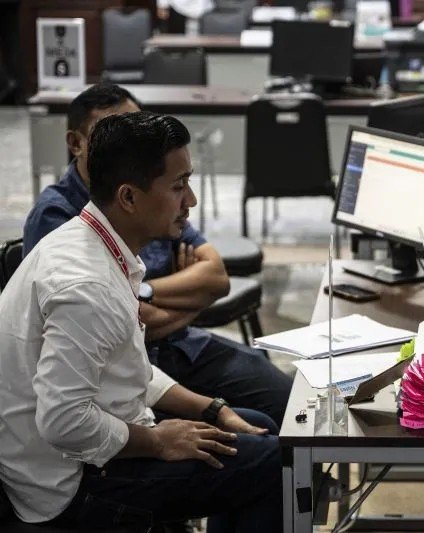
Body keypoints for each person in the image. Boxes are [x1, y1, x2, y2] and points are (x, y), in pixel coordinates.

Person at [0, 111, 282, 530]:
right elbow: (63, 422)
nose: (191, 202)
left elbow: (122, 367)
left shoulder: (92, 240)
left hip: (82, 447)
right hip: (68, 484)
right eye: (178, 186)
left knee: (254, 427)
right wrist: (157, 441)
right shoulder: (87, 285)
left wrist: (212, 408)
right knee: (273, 461)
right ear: (129, 197)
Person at [23, 83, 292, 427]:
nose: (136, 141)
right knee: (259, 434)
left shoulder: (160, 191)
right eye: (114, 130)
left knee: (291, 403)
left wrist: (144, 291)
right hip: (125, 373)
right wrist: (190, 300)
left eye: (138, 126)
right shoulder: (59, 218)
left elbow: (215, 277)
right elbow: (131, 325)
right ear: (76, 143)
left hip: (181, 345)